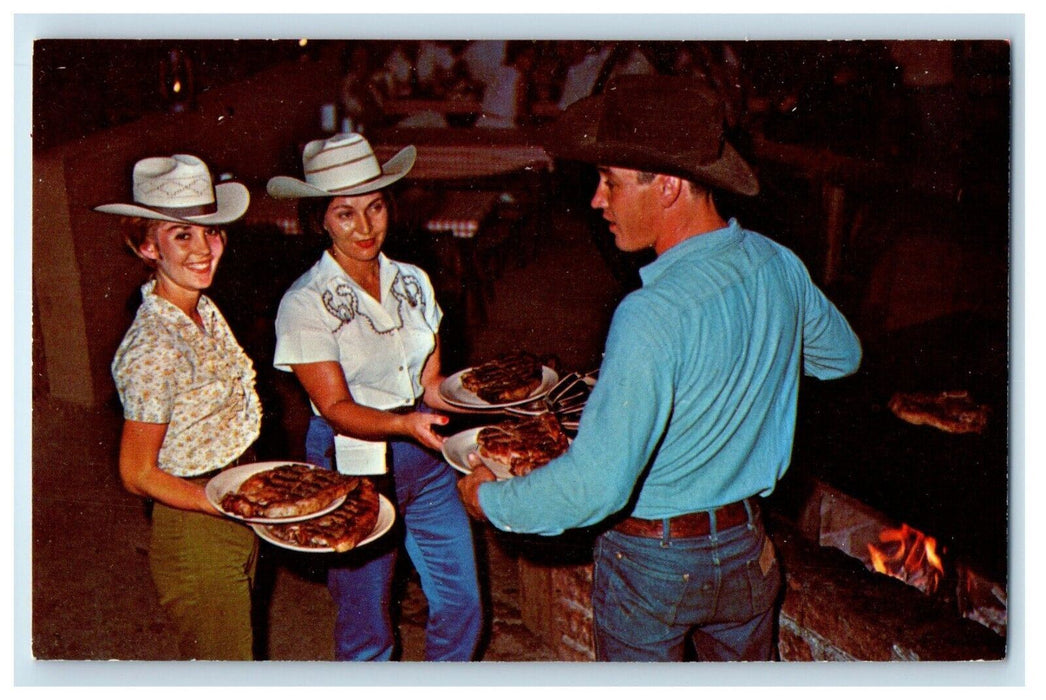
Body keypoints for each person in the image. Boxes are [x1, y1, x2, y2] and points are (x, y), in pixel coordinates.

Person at [457, 75, 862, 662]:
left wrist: (489, 501)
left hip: (654, 564)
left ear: (669, 186)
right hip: (747, 546)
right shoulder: (778, 264)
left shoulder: (650, 313)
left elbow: (594, 489)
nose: (598, 200)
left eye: (611, 182)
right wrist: (747, 358)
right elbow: (841, 357)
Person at [267, 132, 483, 661]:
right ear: (320, 218)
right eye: (346, 214)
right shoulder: (305, 302)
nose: (365, 228)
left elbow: (432, 387)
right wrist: (408, 424)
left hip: (427, 454)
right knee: (368, 627)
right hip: (350, 462)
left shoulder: (414, 281)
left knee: (463, 605)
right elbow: (337, 409)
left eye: (375, 207)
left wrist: (484, 403)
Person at [98, 154, 263, 660]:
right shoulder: (154, 346)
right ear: (147, 246)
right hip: (195, 524)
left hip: (233, 502)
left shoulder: (200, 307)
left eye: (210, 232)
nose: (204, 249)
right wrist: (220, 502)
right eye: (181, 235)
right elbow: (136, 473)